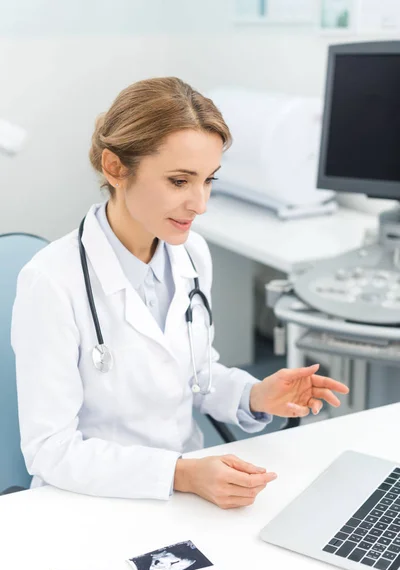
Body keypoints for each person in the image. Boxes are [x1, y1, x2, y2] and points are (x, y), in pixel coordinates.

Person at [11, 77, 349, 509]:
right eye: (179, 181)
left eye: (208, 180)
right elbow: (50, 450)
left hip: (182, 487)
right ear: (115, 168)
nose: (200, 203)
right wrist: (180, 474)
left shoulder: (191, 254)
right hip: (87, 501)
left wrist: (253, 395)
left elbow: (193, 373)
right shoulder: (51, 281)